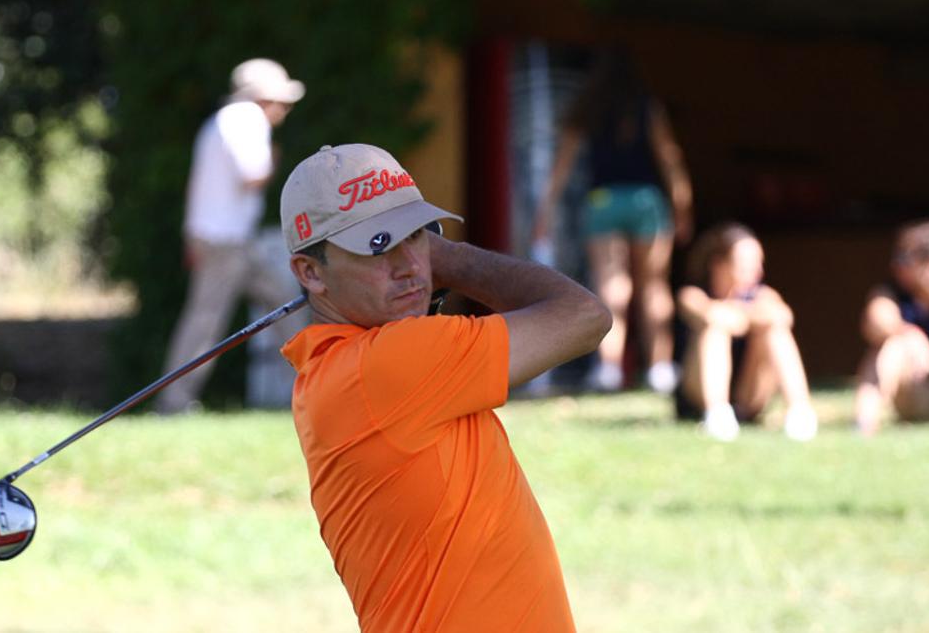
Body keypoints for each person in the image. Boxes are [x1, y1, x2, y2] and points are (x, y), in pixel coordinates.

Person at [279, 143, 611, 631]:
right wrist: (448, 257)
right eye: (377, 246)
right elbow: (585, 317)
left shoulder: (340, 370)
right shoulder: (391, 364)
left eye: (416, 236)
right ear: (311, 273)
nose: (409, 264)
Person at [531, 48, 693, 393]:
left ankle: (608, 368)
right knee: (653, 285)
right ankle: (659, 368)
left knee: (611, 285)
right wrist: (682, 205)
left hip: (602, 201)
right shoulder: (647, 107)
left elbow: (561, 164)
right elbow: (669, 158)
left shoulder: (589, 108)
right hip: (646, 200)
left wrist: (544, 214)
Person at [155, 59, 306, 415]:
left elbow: (196, 186)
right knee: (206, 324)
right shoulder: (247, 121)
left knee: (285, 302)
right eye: (281, 102)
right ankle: (173, 404)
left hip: (222, 239)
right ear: (262, 99)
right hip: (226, 243)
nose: (284, 110)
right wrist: (273, 160)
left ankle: (317, 379)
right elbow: (252, 176)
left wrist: (191, 237)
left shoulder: (219, 122)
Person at [675, 222, 818, 441]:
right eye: (746, 264)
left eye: (758, 263)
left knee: (775, 330)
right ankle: (717, 413)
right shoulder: (693, 294)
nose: (757, 271)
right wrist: (745, 315)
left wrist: (744, 315)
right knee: (716, 329)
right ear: (719, 265)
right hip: (697, 395)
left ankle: (800, 411)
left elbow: (783, 316)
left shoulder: (763, 295)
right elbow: (714, 316)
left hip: (747, 395)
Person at [854, 218, 929, 435]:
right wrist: (908, 333)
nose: (895, 266)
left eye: (904, 259)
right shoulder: (893, 293)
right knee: (890, 348)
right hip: (916, 393)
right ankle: (863, 427)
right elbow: (875, 320)